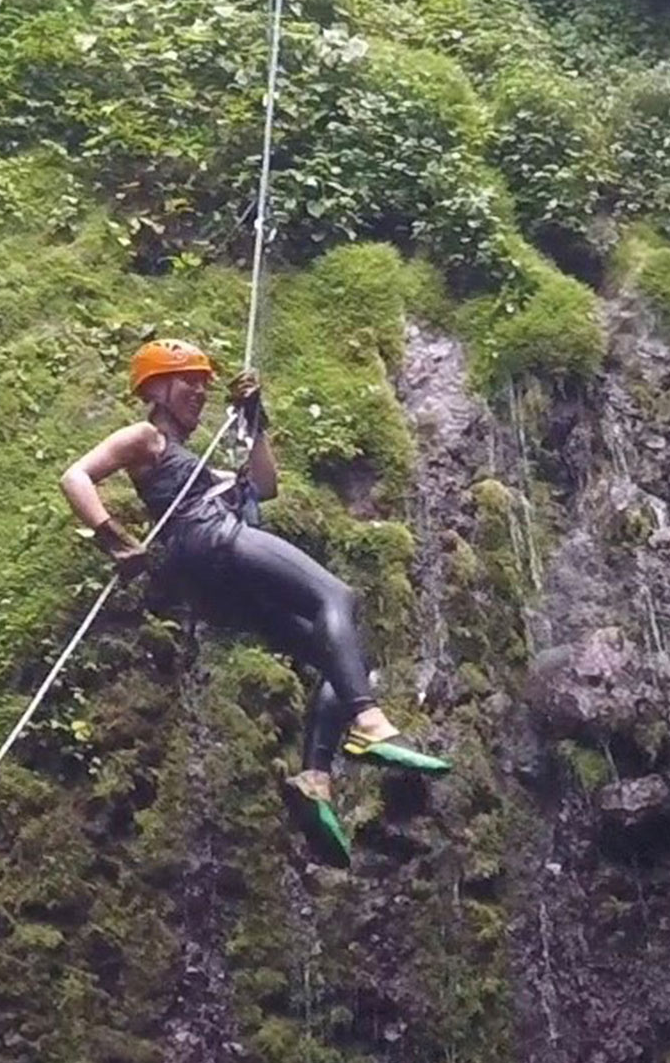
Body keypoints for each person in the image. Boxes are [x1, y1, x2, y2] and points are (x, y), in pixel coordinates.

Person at [59, 338, 448, 865]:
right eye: (188, 381)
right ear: (156, 389)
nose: (200, 392)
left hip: (209, 584)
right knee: (337, 595)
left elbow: (265, 487)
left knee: (344, 657)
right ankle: (370, 723)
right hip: (208, 537)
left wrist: (254, 419)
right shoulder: (146, 437)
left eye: (204, 384)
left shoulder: (201, 465)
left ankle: (314, 779)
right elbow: (75, 476)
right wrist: (112, 537)